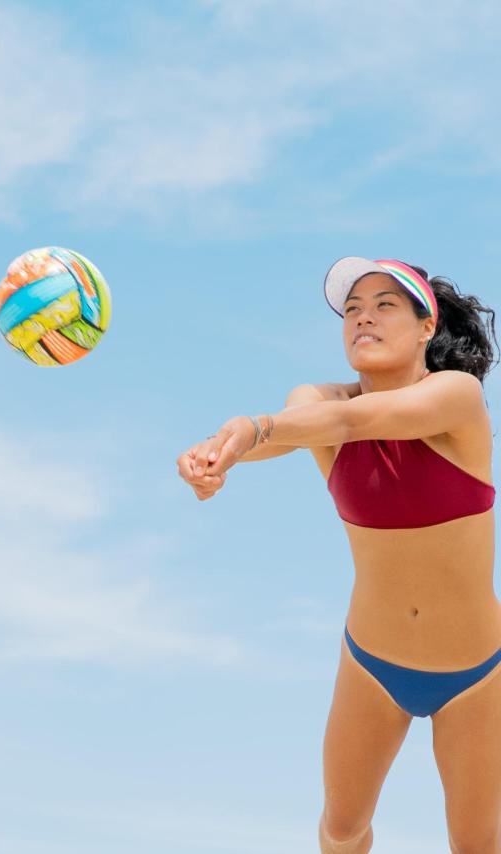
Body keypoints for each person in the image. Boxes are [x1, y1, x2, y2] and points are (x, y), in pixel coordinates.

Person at [176, 257, 501, 853]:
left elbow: (350, 422)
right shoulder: (313, 401)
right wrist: (215, 455)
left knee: (475, 847)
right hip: (371, 662)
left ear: (426, 325)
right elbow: (305, 424)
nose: (362, 318)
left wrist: (250, 430)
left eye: (383, 306)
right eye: (351, 310)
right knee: (341, 829)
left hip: (476, 674)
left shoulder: (457, 397)